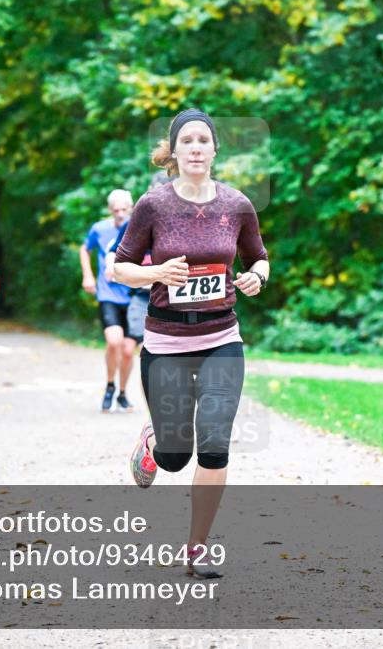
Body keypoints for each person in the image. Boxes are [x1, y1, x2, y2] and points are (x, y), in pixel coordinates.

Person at [113, 109, 270, 579]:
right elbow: (119, 268)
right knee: (176, 458)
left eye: (205, 140)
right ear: (175, 151)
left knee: (216, 444)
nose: (197, 147)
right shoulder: (153, 205)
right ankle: (155, 439)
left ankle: (197, 548)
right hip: (165, 339)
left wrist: (256, 277)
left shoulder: (237, 204)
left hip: (222, 335)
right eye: (188, 141)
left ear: (215, 149)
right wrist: (157, 272)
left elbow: (259, 258)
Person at [104, 171, 174, 403]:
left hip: (178, 298)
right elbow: (113, 251)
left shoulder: (189, 219)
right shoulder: (139, 219)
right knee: (144, 352)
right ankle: (152, 415)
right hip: (143, 298)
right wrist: (110, 267)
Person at [79, 189, 138, 413]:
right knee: (114, 342)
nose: (120, 214)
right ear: (110, 211)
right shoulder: (99, 228)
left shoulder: (139, 228)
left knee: (127, 349)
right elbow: (85, 250)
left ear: (131, 208)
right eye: (116, 210)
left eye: (124, 209)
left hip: (134, 295)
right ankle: (110, 385)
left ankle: (122, 393)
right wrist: (88, 274)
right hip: (108, 295)